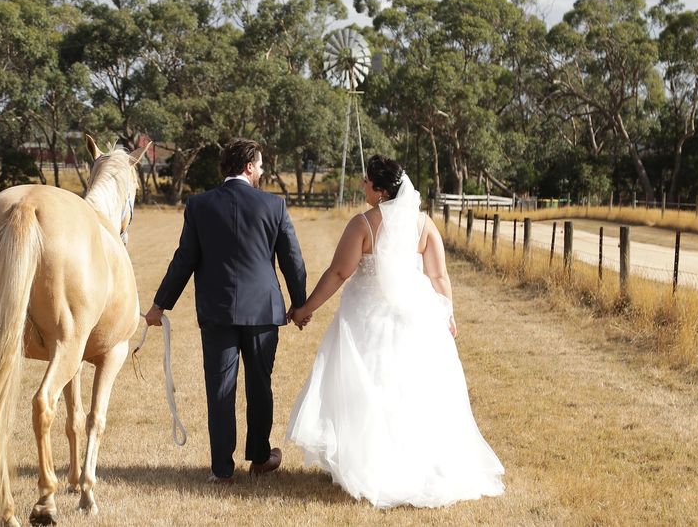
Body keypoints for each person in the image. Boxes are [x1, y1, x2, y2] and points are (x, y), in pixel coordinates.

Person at [286, 155, 504, 508]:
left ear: (381, 190)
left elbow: (339, 273)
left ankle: (372, 465)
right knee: (411, 391)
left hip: (366, 319)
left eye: (366, 181)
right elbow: (438, 276)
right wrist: (447, 313)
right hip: (418, 318)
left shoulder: (363, 225)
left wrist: (305, 310)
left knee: (369, 389)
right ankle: (411, 463)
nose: (362, 185)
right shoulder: (424, 225)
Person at [145, 138, 307, 483]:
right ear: (249, 166)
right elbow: (292, 259)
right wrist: (300, 302)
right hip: (263, 311)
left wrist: (159, 305)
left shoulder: (199, 205)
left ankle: (222, 470)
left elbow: (185, 259)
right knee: (260, 385)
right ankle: (261, 458)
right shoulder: (274, 205)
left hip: (217, 311)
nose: (262, 171)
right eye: (260, 165)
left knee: (219, 388)